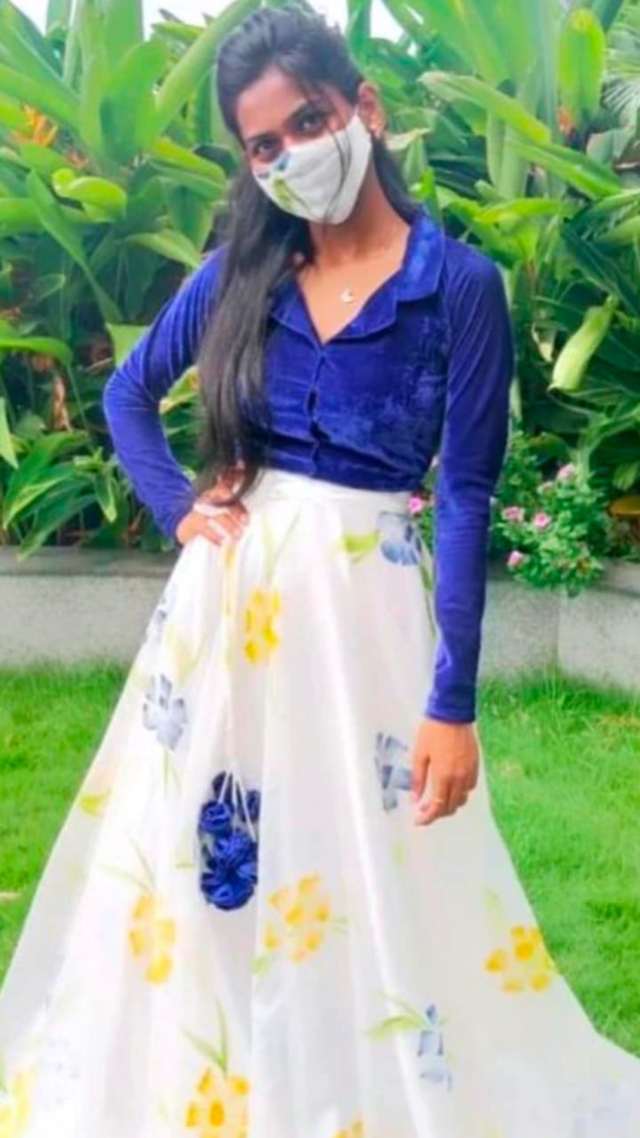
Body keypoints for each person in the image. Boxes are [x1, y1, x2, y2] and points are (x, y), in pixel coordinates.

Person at [1, 6, 640, 1136]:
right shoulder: (242, 272)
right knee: (201, 847)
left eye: (308, 121)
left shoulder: (459, 288)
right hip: (223, 616)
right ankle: (212, 1079)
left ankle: (360, 1079)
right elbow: (127, 393)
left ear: (363, 109)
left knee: (369, 862)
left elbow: (464, 493)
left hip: (364, 620)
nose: (293, 154)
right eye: (264, 144)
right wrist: (177, 508)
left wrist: (452, 702)